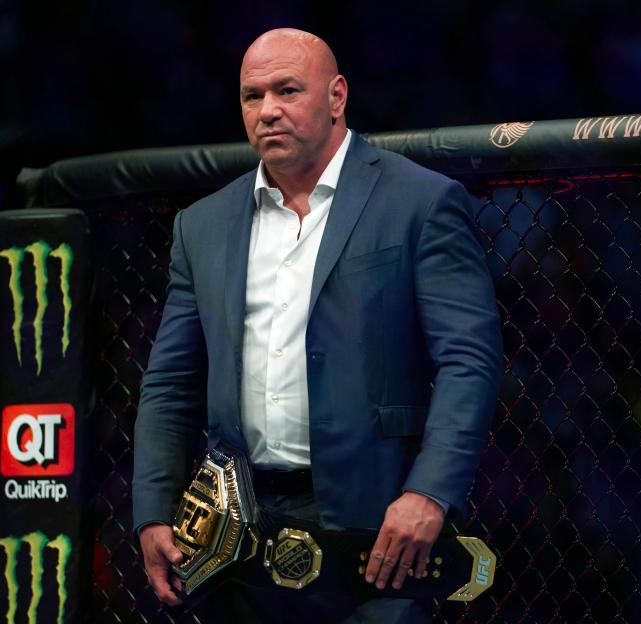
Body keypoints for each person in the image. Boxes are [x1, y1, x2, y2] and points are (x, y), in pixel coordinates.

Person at [132, 28, 502, 623]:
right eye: (253, 96)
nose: (268, 110)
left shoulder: (420, 202)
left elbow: (470, 360)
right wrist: (152, 510)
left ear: (336, 96)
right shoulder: (201, 225)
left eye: (287, 90)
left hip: (376, 522)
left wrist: (429, 492)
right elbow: (170, 381)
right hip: (239, 527)